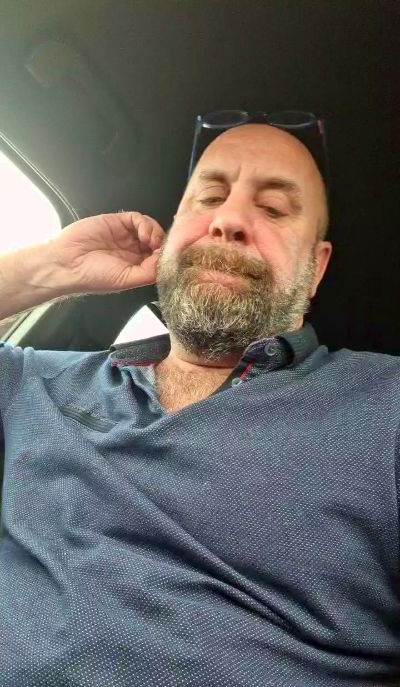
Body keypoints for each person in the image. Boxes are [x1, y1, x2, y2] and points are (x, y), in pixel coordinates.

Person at [0, 123, 399, 685]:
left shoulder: (384, 406)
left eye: (274, 209)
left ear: (318, 266)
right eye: (209, 198)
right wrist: (47, 270)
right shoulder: (37, 382)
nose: (228, 219)